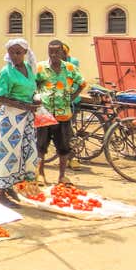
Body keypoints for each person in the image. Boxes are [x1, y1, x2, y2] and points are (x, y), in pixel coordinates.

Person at [0, 38, 40, 208]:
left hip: (25, 119)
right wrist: (25, 105)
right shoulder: (6, 72)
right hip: (9, 119)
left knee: (22, 154)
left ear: (25, 53)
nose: (15, 56)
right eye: (12, 52)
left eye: (18, 52)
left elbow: (32, 89)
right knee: (7, 154)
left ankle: (8, 187)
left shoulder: (29, 68)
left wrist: (35, 101)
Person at [36, 40, 87, 185]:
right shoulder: (40, 68)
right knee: (41, 145)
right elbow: (33, 83)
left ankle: (62, 176)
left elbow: (82, 83)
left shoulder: (70, 68)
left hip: (63, 113)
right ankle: (40, 174)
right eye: (50, 51)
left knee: (63, 147)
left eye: (56, 51)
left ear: (62, 52)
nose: (53, 54)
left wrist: (73, 96)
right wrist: (37, 97)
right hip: (44, 113)